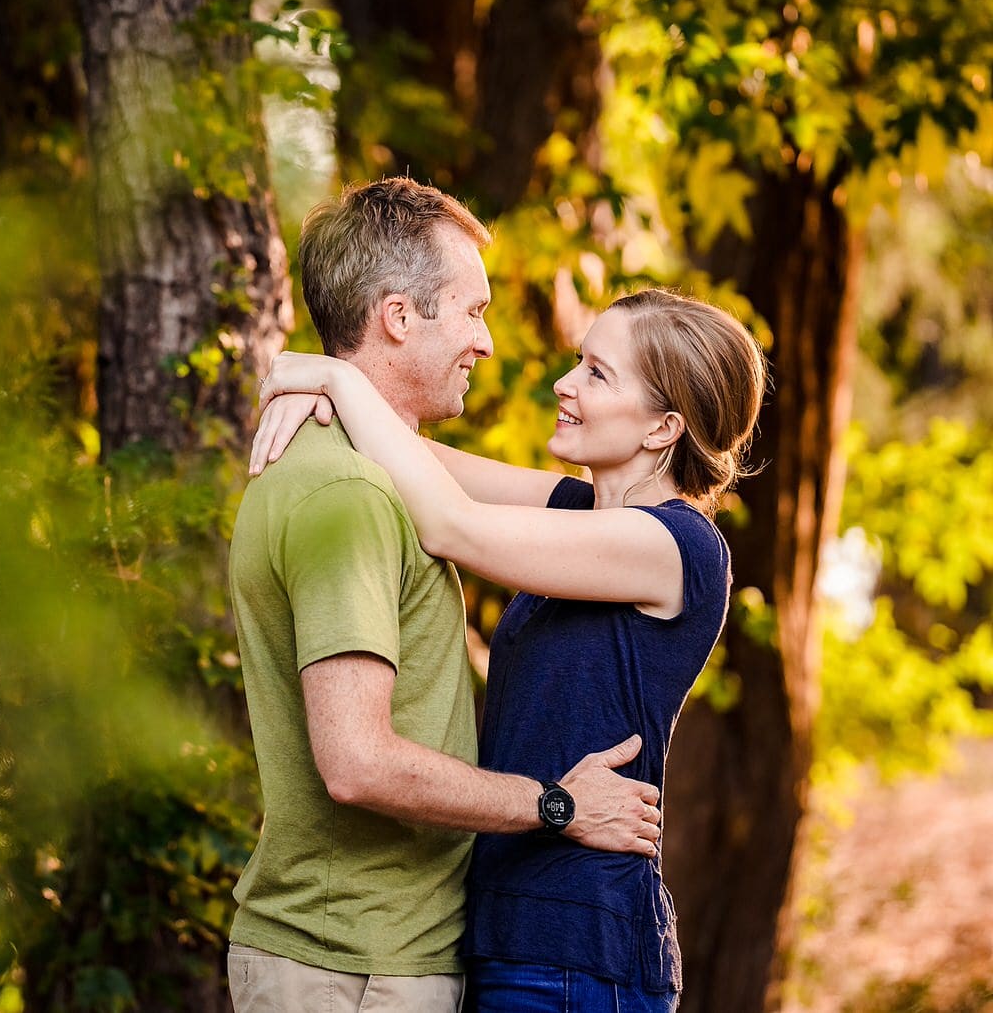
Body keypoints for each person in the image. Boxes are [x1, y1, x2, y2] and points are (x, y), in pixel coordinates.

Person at [250, 286, 768, 1012]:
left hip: (580, 954)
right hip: (510, 933)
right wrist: (306, 391)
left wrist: (333, 379)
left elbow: (450, 524)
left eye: (596, 372)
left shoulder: (677, 547)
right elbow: (415, 456)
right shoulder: (576, 510)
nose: (565, 382)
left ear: (663, 427)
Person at [225, 177, 663, 1013]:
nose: (486, 343)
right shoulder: (348, 495)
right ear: (398, 316)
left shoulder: (381, 478)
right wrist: (557, 804)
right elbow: (356, 760)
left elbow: (501, 503)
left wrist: (334, 382)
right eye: (473, 311)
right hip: (351, 967)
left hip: (376, 957)